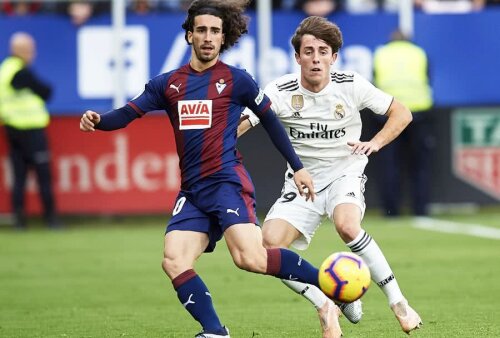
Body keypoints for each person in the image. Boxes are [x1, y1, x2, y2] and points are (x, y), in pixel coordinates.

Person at [79, 1, 344, 337]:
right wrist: (98, 121)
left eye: (215, 31)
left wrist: (298, 167)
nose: (208, 37)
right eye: (201, 30)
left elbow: (271, 121)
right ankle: (216, 331)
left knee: (250, 258)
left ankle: (330, 282)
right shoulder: (168, 84)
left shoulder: (237, 80)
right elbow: (128, 113)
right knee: (174, 260)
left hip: (226, 183)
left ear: (223, 38)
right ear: (190, 35)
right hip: (193, 192)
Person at [239, 16, 422, 336]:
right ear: (297, 57)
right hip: (303, 180)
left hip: (344, 172)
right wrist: (216, 143)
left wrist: (375, 143)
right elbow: (243, 123)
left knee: (347, 225)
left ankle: (399, 302)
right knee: (267, 247)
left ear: (333, 57)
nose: (315, 58)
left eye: (323, 51)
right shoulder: (279, 90)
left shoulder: (351, 83)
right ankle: (326, 300)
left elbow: (401, 113)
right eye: (308, 51)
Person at [0, 32, 61, 230]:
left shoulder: (4, 70)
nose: (33, 53)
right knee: (43, 175)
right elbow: (46, 91)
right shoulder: (20, 72)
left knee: (19, 177)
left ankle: (20, 221)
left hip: (12, 129)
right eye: (31, 49)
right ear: (22, 51)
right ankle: (51, 219)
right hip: (31, 130)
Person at [373, 29, 434, 217]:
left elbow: (374, 81)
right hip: (418, 111)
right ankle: (421, 209)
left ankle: (391, 211)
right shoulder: (419, 53)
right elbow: (429, 79)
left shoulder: (381, 54)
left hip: (389, 112)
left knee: (390, 163)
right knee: (420, 164)